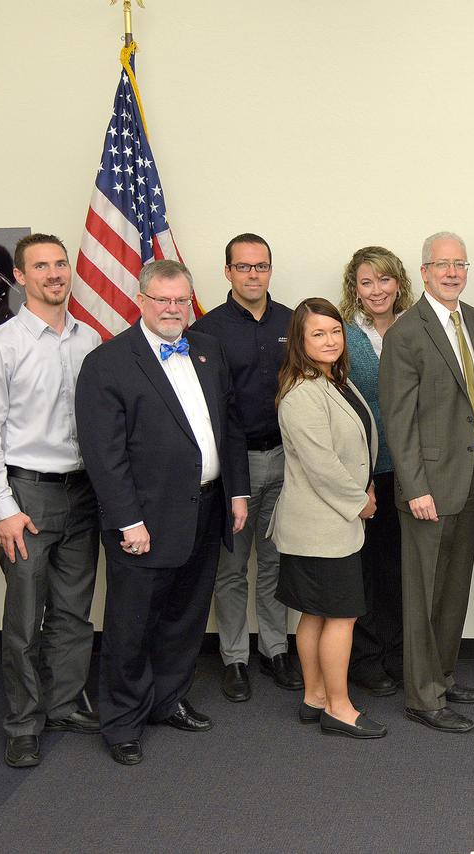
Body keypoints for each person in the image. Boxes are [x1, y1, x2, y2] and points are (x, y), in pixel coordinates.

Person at [76, 259, 249, 766]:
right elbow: (103, 455)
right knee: (132, 624)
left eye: (181, 300)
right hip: (144, 519)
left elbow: (230, 428)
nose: (173, 309)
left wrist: (237, 492)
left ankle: (167, 700)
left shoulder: (207, 350)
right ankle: (122, 722)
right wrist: (128, 522)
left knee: (186, 616)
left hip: (208, 506)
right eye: (162, 300)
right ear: (142, 301)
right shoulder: (107, 362)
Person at [0, 233, 102, 768]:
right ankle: (24, 723)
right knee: (26, 617)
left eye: (60, 264)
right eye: (40, 266)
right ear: (20, 277)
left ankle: (65, 703)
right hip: (28, 497)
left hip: (82, 493)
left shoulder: (88, 340)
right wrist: (4, 509)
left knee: (73, 612)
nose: (54, 274)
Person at [379, 232, 474, 734]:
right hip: (428, 483)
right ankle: (422, 696)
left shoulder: (471, 318)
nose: (452, 272)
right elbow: (398, 419)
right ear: (424, 271)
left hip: (471, 473)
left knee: (454, 587)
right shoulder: (406, 332)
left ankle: (443, 678)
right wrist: (414, 487)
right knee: (424, 593)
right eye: (441, 264)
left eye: (460, 264)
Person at [269, 298, 387, 739]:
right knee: (339, 616)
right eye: (317, 334)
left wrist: (367, 484)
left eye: (334, 331)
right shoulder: (302, 393)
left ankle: (314, 696)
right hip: (320, 526)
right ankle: (339, 707)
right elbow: (321, 464)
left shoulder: (334, 381)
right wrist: (360, 501)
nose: (330, 340)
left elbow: (353, 450)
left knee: (315, 615)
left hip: (327, 521)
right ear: (300, 341)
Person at [190, 233, 300, 702]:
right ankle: (235, 657)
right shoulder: (207, 329)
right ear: (228, 272)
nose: (253, 274)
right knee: (232, 568)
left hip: (287, 459)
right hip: (235, 465)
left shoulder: (293, 322)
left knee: (275, 562)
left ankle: (275, 649)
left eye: (261, 266)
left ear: (270, 270)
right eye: (243, 267)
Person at [339, 246, 414, 696]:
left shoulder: (418, 330)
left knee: (405, 569)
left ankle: (402, 654)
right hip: (363, 474)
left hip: (410, 472)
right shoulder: (343, 335)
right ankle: (366, 659)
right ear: (355, 289)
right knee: (366, 569)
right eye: (366, 282)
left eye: (384, 280)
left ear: (399, 283)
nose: (376, 290)